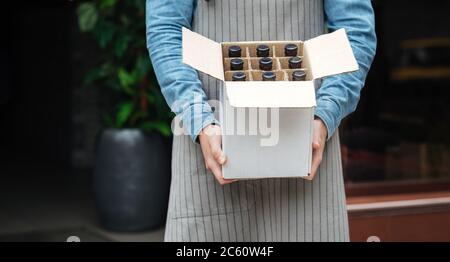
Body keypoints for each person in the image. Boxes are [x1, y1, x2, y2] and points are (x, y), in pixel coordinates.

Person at [147, 0, 376, 242]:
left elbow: (355, 32)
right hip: (210, 146)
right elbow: (166, 30)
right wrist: (199, 120)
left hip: (307, 145)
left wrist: (325, 115)